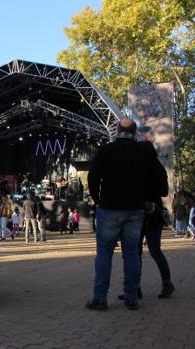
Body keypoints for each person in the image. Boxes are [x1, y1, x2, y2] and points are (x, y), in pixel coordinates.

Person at [86, 118, 156, 311]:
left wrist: (97, 200)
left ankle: (100, 298)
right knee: (132, 253)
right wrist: (149, 200)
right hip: (135, 209)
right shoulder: (143, 151)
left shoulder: (106, 150)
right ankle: (131, 297)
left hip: (109, 208)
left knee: (104, 253)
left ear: (117, 130)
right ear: (135, 132)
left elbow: (93, 177)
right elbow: (152, 178)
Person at [116, 141, 174, 301]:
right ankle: (166, 284)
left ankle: (135, 288)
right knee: (155, 250)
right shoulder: (159, 168)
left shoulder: (136, 169)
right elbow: (164, 191)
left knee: (135, 252)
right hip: (153, 214)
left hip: (137, 213)